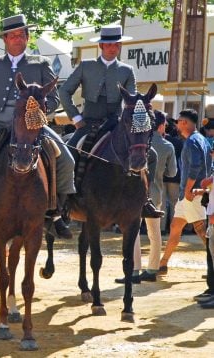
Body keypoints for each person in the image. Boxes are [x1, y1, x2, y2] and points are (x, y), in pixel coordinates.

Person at [0, 14, 76, 239]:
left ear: (27, 38)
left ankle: (58, 213)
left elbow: (55, 99)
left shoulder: (41, 63)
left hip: (33, 126)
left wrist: (39, 110)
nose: (17, 39)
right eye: (12, 35)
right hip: (0, 124)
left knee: (66, 159)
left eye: (21, 35)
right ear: (5, 39)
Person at [59, 24, 164, 219]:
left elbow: (131, 99)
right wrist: (76, 117)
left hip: (115, 124)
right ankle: (64, 200)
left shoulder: (127, 70)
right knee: (70, 150)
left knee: (152, 155)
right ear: (101, 46)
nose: (113, 48)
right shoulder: (86, 66)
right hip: (87, 123)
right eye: (109, 44)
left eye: (116, 44)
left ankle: (144, 200)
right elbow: (64, 91)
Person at [115, 110, 177, 283]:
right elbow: (172, 173)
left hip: (133, 195)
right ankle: (152, 269)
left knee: (133, 234)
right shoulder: (168, 146)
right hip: (156, 193)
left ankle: (134, 270)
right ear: (161, 125)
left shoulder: (133, 143)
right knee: (155, 234)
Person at [157, 110, 211, 288]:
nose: (176, 125)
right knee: (176, 226)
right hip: (191, 192)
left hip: (191, 193)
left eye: (179, 121)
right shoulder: (199, 139)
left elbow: (195, 167)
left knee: (203, 233)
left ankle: (213, 269)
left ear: (185, 123)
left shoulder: (193, 141)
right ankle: (163, 263)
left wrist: (189, 190)